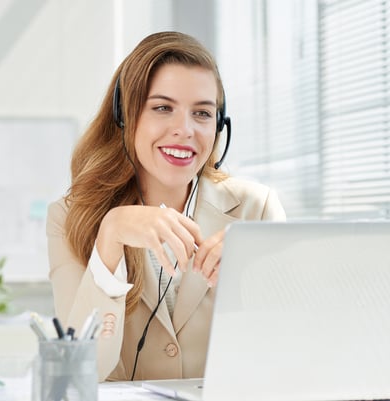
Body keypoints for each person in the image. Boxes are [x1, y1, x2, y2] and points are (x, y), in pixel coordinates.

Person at [46, 31, 285, 382]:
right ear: (125, 115)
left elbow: (285, 358)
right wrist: (109, 240)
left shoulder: (256, 209)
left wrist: (249, 282)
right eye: (162, 108)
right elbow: (80, 373)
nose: (185, 130)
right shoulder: (70, 217)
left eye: (202, 113)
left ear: (219, 126)